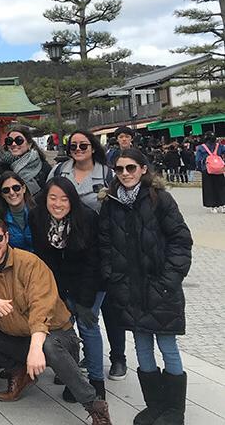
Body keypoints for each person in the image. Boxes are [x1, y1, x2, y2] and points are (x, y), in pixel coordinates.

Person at [0, 216, 111, 424]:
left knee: (49, 344)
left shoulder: (30, 263)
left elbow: (42, 307)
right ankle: (19, 370)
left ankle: (94, 405)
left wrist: (36, 346)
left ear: (6, 237)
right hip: (20, 338)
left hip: (54, 335)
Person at [99, 149, 193, 425]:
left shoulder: (160, 199)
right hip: (128, 287)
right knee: (141, 346)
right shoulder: (111, 203)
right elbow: (105, 244)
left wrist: (169, 280)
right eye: (119, 169)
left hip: (160, 285)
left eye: (130, 168)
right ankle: (155, 404)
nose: (125, 174)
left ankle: (174, 410)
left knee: (167, 345)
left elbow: (180, 240)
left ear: (143, 168)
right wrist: (112, 276)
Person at [31, 177, 106, 402]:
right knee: (64, 327)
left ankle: (96, 381)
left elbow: (94, 262)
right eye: (52, 198)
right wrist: (60, 295)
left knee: (88, 325)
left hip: (90, 281)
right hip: (60, 282)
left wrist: (83, 301)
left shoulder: (87, 218)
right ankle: (73, 378)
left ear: (72, 200)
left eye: (64, 199)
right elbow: (45, 259)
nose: (58, 204)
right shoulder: (37, 218)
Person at [46, 130, 112, 213]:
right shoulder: (58, 170)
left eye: (83, 145)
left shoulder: (107, 174)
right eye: (73, 146)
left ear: (93, 149)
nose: (78, 149)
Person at [0, 124, 51, 195]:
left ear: (29, 144)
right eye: (9, 141)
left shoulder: (43, 167)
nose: (13, 144)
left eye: (19, 140)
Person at [0, 171, 35, 252]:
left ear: (23, 189)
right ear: (2, 194)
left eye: (16, 188)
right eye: (6, 190)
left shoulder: (38, 213)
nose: (12, 193)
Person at [195, 133, 225, 212]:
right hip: (219, 169)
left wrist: (200, 168)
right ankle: (223, 205)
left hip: (207, 170)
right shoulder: (220, 146)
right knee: (221, 187)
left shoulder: (201, 148)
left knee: (210, 188)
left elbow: (198, 160)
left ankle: (213, 207)